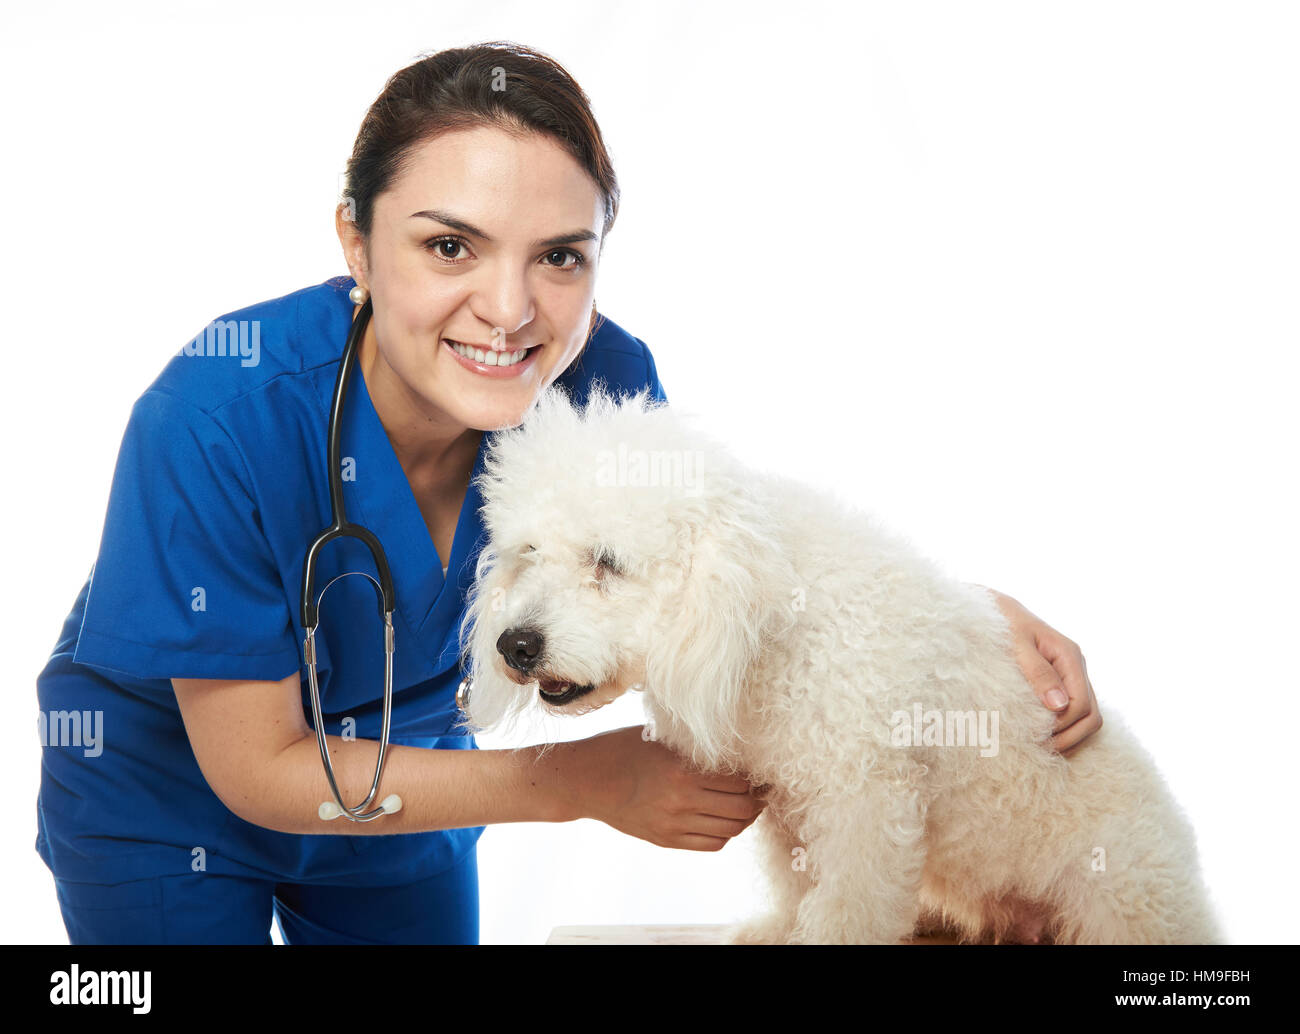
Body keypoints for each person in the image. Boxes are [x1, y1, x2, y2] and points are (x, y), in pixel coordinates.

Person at [34, 41, 1102, 945]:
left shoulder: (602, 384)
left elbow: (699, 567)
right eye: (449, 244)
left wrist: (948, 624)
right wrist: (575, 781)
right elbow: (260, 766)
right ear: (356, 242)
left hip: (414, 776)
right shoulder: (216, 415)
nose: (508, 309)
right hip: (164, 796)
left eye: (558, 256)